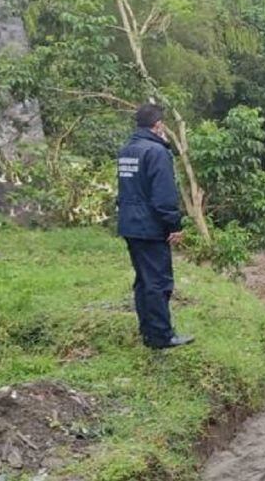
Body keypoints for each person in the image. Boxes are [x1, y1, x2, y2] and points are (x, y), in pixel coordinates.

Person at [117, 103, 194, 349]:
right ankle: (162, 336)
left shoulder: (127, 150)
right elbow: (163, 196)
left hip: (129, 224)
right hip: (149, 227)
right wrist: (174, 225)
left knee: (143, 281)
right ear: (158, 125)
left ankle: (148, 331)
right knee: (159, 282)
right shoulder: (157, 152)